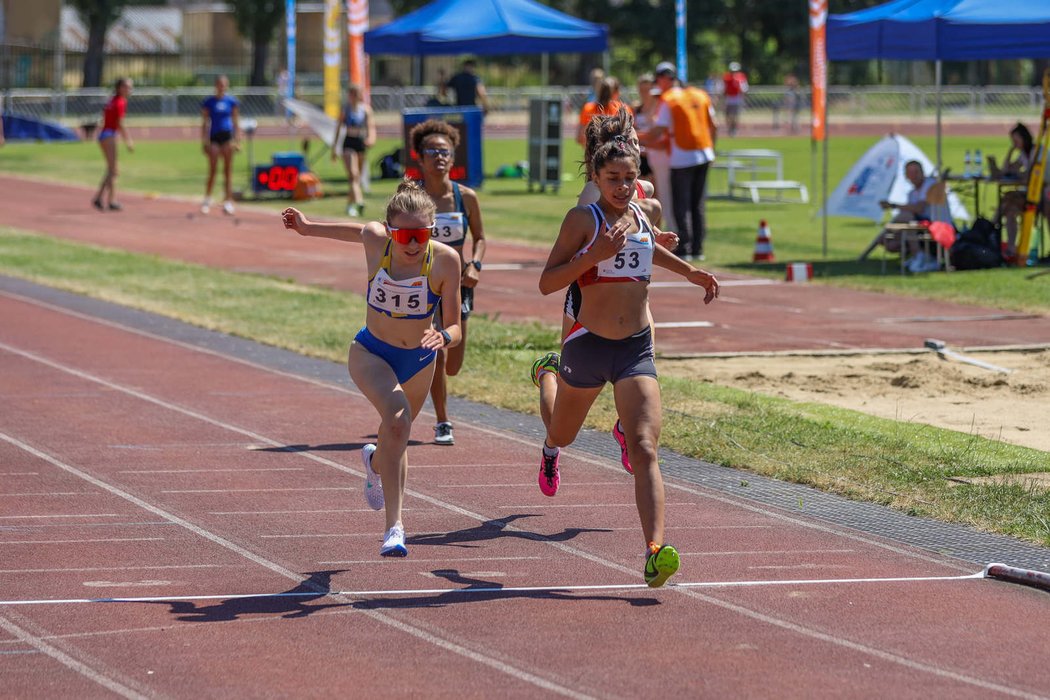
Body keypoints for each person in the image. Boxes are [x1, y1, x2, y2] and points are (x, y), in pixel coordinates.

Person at [530, 135, 719, 588]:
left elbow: (648, 247)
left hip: (634, 347)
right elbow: (546, 282)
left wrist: (689, 271)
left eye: (630, 178)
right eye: (612, 178)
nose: (621, 186)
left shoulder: (644, 212)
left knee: (646, 447)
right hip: (588, 344)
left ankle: (654, 552)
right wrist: (593, 255)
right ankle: (548, 375)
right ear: (595, 178)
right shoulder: (582, 219)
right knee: (562, 433)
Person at [281, 182, 463, 557]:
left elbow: (457, 327)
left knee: (396, 436)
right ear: (389, 230)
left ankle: (374, 461)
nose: (413, 244)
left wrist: (443, 337)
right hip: (370, 352)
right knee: (397, 423)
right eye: (405, 236)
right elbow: (352, 231)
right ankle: (395, 528)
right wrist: (307, 225)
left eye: (423, 235)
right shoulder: (376, 241)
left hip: (419, 359)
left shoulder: (444, 261)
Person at [409, 119, 486, 446]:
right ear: (420, 159)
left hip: (458, 284)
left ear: (453, 158)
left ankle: (436, 404)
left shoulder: (465, 197)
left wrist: (476, 264)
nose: (439, 157)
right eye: (432, 152)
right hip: (422, 284)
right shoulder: (410, 196)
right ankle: (443, 421)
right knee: (436, 353)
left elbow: (480, 237)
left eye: (445, 152)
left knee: (453, 362)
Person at [648, 62, 717, 261]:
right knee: (697, 204)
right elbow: (714, 125)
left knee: (681, 204)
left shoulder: (669, 99)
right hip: (704, 153)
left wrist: (634, 134)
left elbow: (658, 131)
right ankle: (698, 247)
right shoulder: (700, 94)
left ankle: (684, 246)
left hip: (682, 156)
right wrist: (712, 149)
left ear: (665, 79)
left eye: (658, 81)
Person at [988, 123, 1048, 262]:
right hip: (1028, 195)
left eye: (1016, 140)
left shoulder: (1037, 152)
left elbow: (1032, 176)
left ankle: (991, 226)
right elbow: (1007, 170)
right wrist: (1010, 151)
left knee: (1008, 199)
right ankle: (1011, 248)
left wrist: (1022, 174)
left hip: (1040, 196)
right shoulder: (1023, 154)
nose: (1014, 144)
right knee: (1009, 210)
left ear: (1024, 138)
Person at [873, 160, 938, 270]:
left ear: (922, 172)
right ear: (906, 176)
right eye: (910, 173)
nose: (914, 176)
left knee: (906, 217)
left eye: (916, 172)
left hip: (935, 224)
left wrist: (893, 205)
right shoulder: (911, 194)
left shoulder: (929, 185)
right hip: (918, 226)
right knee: (891, 242)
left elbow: (919, 208)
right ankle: (917, 255)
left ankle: (919, 256)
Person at [332, 84, 376, 218]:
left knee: (356, 178)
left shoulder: (366, 110)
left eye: (356, 94)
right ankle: (359, 201)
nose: (353, 97)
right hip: (348, 143)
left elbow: (371, 126)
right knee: (354, 175)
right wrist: (334, 148)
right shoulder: (345, 110)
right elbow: (338, 129)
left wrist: (371, 138)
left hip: (360, 142)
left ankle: (349, 205)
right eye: (351, 94)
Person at [200, 75, 241, 215]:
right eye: (219, 84)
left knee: (228, 171)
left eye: (224, 85)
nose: (222, 87)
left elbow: (236, 121)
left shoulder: (231, 101)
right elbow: (205, 123)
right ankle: (207, 199)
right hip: (214, 137)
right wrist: (204, 142)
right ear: (216, 86)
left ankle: (228, 201)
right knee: (213, 170)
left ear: (227, 86)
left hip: (227, 137)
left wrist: (238, 140)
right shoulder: (209, 102)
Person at [92, 78, 134, 212]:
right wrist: (128, 140)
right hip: (109, 135)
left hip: (104, 134)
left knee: (112, 170)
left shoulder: (112, 100)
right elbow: (120, 123)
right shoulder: (120, 102)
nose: (129, 90)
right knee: (113, 170)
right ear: (120, 88)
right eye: (127, 87)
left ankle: (104, 198)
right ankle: (107, 199)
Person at [576, 77, 631, 146]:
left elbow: (580, 137)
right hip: (617, 154)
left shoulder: (588, 108)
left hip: (594, 154)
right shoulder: (623, 109)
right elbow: (629, 136)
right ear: (617, 92)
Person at [722, 62, 749, 137]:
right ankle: (730, 128)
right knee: (727, 115)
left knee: (735, 115)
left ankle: (733, 129)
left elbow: (744, 89)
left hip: (737, 98)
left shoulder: (741, 78)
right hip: (728, 98)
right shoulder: (726, 78)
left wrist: (743, 97)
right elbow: (724, 89)